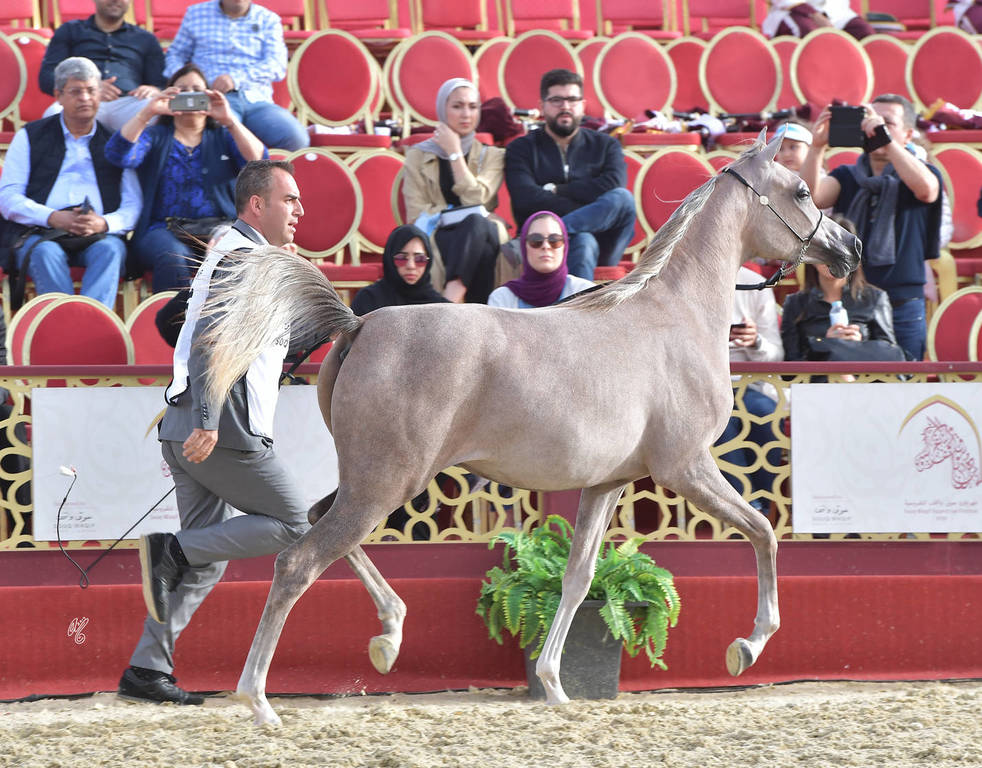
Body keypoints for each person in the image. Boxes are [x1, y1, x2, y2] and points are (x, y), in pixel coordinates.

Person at [118, 159, 310, 706]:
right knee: (294, 522)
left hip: (192, 424)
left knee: (208, 558)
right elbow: (207, 341)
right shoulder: (245, 260)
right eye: (289, 199)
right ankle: (170, 549)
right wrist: (206, 420)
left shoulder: (246, 257)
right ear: (257, 205)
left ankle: (146, 671)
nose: (299, 209)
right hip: (221, 428)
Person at [800, 94, 942, 361]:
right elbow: (810, 198)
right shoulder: (848, 176)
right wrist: (817, 146)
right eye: (871, 121)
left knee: (905, 383)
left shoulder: (922, 173)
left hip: (904, 302)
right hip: (856, 302)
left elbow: (926, 191)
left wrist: (885, 141)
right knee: (858, 387)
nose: (875, 127)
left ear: (908, 134)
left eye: (887, 122)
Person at [104, 63, 267, 292]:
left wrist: (229, 120)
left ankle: (226, 326)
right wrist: (147, 112)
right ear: (169, 95)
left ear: (209, 95)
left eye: (196, 89)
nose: (189, 95)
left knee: (233, 254)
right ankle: (174, 326)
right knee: (174, 257)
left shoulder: (222, 135)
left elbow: (259, 163)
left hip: (219, 226)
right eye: (181, 90)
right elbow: (118, 155)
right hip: (163, 229)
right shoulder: (155, 135)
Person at [0, 57, 139, 309]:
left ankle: (92, 328)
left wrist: (104, 223)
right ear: (58, 95)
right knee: (44, 254)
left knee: (110, 252)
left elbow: (132, 204)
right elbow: (8, 197)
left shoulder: (115, 142)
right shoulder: (30, 136)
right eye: (76, 91)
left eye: (91, 90)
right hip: (40, 231)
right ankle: (61, 329)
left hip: (97, 233)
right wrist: (52, 217)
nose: (85, 98)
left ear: (100, 94)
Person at [505, 68, 636, 281]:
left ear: (583, 106)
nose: (565, 107)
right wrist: (591, 209)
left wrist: (558, 190)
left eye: (572, 100)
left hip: (604, 244)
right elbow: (525, 199)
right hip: (541, 246)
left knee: (622, 199)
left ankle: (558, 232)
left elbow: (613, 184)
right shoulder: (521, 148)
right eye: (557, 100)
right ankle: (576, 312)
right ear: (542, 106)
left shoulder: (606, 145)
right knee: (584, 241)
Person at [403, 78, 508, 304]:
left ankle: (451, 298)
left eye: (473, 106)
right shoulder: (417, 155)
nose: (466, 114)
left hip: (484, 234)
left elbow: (478, 197)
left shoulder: (493, 155)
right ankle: (474, 309)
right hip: (436, 234)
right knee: (477, 223)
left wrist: (454, 154)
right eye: (457, 106)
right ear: (442, 108)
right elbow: (415, 212)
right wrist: (451, 214)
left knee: (476, 224)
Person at [163, 0, 309, 151]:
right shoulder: (196, 14)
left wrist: (236, 79)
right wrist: (189, 82)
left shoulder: (268, 19)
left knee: (296, 138)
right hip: (211, 98)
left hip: (256, 99)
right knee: (222, 137)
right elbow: (175, 55)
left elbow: (277, 65)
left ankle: (267, 174)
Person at [714, 265, 785, 515]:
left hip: (747, 383)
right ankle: (745, 509)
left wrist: (755, 341)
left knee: (765, 413)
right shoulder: (680, 277)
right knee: (719, 421)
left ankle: (762, 506)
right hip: (702, 386)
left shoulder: (755, 284)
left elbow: (776, 355)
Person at [39, 0, 166, 131]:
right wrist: (91, 89)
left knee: (159, 111)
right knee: (53, 114)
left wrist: (154, 89)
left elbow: (160, 82)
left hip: (129, 103)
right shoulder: (69, 31)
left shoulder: (146, 39)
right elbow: (47, 77)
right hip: (82, 99)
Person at [780, 259, 898, 362]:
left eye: (840, 252)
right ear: (812, 258)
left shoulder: (875, 298)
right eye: (825, 252)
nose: (832, 259)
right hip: (817, 384)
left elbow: (889, 354)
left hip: (863, 382)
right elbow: (790, 366)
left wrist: (858, 347)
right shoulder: (795, 303)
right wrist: (827, 345)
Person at [488, 211, 593, 308]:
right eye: (536, 240)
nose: (546, 246)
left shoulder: (585, 293)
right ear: (524, 247)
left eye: (554, 240)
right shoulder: (502, 298)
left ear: (565, 247)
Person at [351, 224, 449, 315]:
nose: (411, 266)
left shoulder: (439, 306)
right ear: (390, 259)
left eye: (420, 259)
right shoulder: (369, 300)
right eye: (401, 258)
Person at [761, 0, 874, 40]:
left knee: (864, 31)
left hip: (836, 14)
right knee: (810, 33)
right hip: (795, 11)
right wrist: (815, 14)